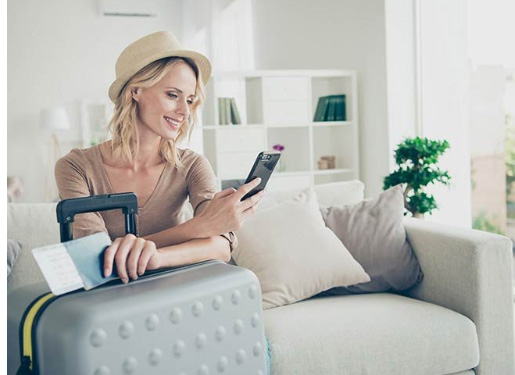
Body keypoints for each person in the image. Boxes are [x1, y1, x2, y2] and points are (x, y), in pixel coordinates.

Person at [54, 31, 263, 284]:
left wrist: (156, 257)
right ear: (136, 91)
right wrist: (196, 228)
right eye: (173, 95)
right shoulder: (75, 167)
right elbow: (96, 259)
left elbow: (220, 245)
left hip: (177, 293)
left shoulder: (192, 165)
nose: (184, 111)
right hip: (110, 303)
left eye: (190, 100)